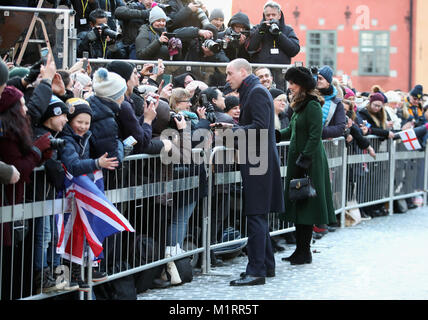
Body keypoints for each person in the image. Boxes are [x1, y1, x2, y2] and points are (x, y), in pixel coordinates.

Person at [217, 58, 284, 286]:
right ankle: (266, 265)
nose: (227, 78)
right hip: (258, 161)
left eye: (229, 73)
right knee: (259, 215)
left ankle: (256, 271)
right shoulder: (253, 91)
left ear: (243, 72)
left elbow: (261, 129)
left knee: (255, 215)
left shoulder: (255, 91)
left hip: (259, 163)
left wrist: (233, 129)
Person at [0, 86, 61, 296]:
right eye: (23, 105)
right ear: (13, 109)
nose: (26, 109)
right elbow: (16, 170)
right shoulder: (7, 134)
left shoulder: (16, 129)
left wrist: (41, 154)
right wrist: (36, 151)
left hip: (15, 205)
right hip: (7, 202)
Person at [277, 66, 336, 265]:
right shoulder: (300, 105)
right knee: (299, 206)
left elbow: (314, 135)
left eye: (293, 83)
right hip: (300, 161)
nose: (290, 87)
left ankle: (305, 251)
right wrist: (276, 135)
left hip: (309, 162)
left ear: (301, 85)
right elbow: (292, 131)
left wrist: (304, 159)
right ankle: (300, 250)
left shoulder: (311, 105)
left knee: (306, 206)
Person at [247, 1, 300, 90]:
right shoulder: (257, 29)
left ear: (279, 15)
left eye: (273, 15)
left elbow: (294, 50)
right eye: (268, 15)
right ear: (264, 16)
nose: (271, 18)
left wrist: (278, 34)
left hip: (281, 76)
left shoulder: (287, 30)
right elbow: (250, 47)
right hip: (261, 76)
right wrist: (261, 31)